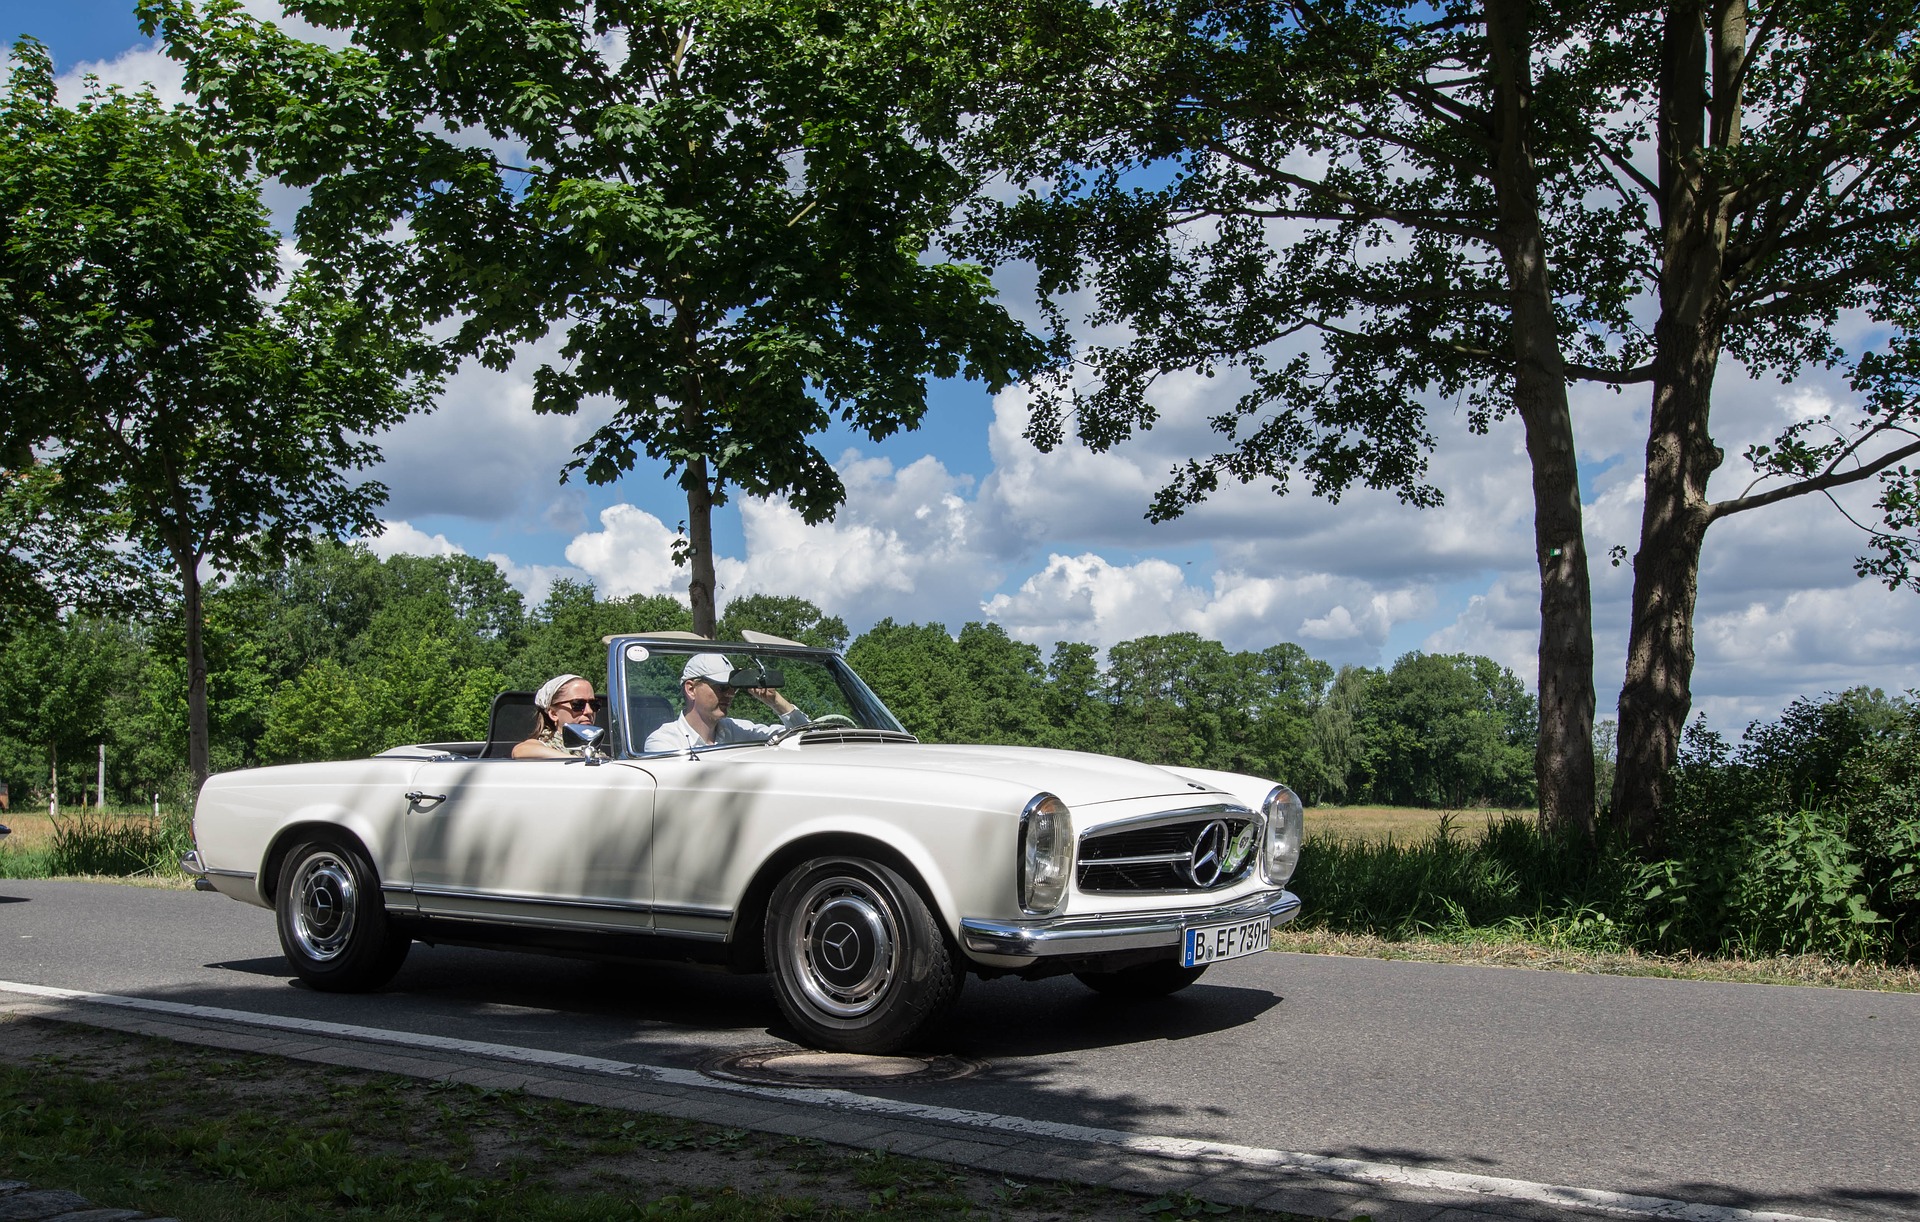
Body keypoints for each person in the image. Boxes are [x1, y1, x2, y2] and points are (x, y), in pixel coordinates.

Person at [644, 653, 809, 753]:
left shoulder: (736, 730)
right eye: (722, 687)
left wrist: (777, 702)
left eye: (733, 688)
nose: (730, 694)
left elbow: (805, 737)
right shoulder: (664, 743)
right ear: (691, 689)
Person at [513, 673, 604, 758]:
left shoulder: (598, 751)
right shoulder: (545, 745)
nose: (589, 711)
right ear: (553, 714)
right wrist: (576, 760)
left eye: (594, 704)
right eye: (578, 704)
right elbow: (519, 751)